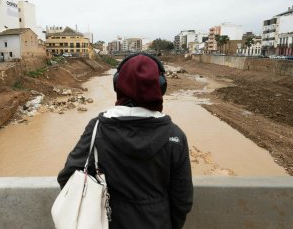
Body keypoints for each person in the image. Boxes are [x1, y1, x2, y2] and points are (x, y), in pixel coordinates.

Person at [58, 53, 193, 229]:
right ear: (160, 87)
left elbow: (68, 177)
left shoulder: (97, 128)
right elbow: (182, 199)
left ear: (117, 84)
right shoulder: (175, 136)